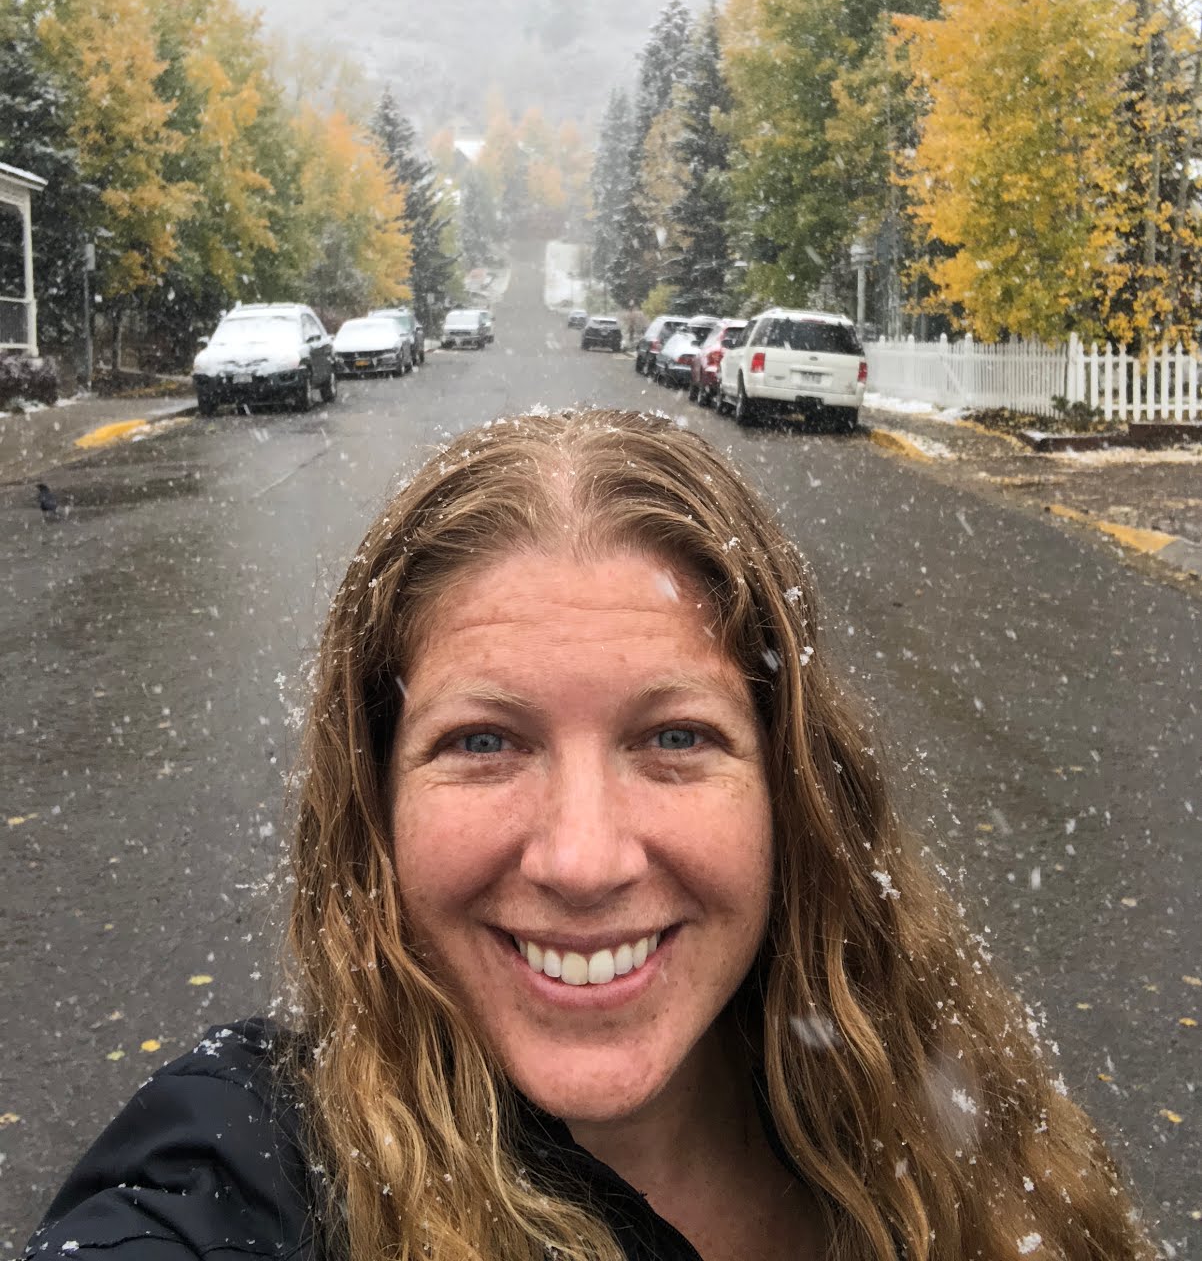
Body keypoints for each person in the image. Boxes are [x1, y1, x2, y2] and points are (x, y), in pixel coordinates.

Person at [27, 409, 1155, 1261]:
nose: (582, 860)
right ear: (375, 799)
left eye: (674, 737)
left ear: (792, 789)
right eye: (483, 742)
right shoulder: (248, 1171)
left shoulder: (957, 1131)